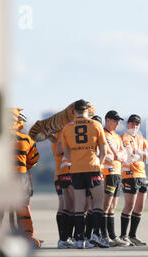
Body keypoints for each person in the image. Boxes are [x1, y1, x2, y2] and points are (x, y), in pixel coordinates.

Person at [62, 99, 107, 249]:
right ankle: (95, 234)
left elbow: (66, 154)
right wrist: (98, 164)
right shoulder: (96, 125)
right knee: (98, 201)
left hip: (76, 169)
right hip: (92, 167)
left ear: (74, 111)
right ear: (88, 110)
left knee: (79, 204)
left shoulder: (67, 128)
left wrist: (76, 159)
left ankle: (79, 239)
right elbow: (104, 151)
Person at [10, 108, 41, 248]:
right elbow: (34, 158)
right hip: (21, 176)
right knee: (23, 208)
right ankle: (27, 236)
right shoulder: (26, 139)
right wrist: (25, 164)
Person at [119, 114, 148, 246]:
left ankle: (133, 235)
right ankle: (123, 235)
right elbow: (129, 154)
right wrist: (140, 154)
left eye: (137, 124)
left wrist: (139, 153)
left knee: (139, 207)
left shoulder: (140, 138)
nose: (134, 126)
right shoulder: (124, 137)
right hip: (130, 175)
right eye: (132, 123)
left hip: (142, 175)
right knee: (129, 206)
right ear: (128, 124)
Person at [100, 110, 129, 247]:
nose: (118, 123)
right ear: (108, 120)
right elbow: (107, 155)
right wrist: (116, 156)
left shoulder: (117, 137)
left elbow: (123, 155)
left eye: (118, 121)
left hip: (118, 172)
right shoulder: (103, 134)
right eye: (115, 120)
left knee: (113, 206)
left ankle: (112, 235)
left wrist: (117, 155)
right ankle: (103, 235)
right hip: (108, 172)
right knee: (106, 205)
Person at [49, 129, 75, 248]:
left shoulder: (58, 132)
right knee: (68, 205)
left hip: (60, 173)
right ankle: (65, 237)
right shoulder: (63, 132)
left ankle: (64, 237)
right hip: (64, 172)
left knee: (64, 204)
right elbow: (60, 149)